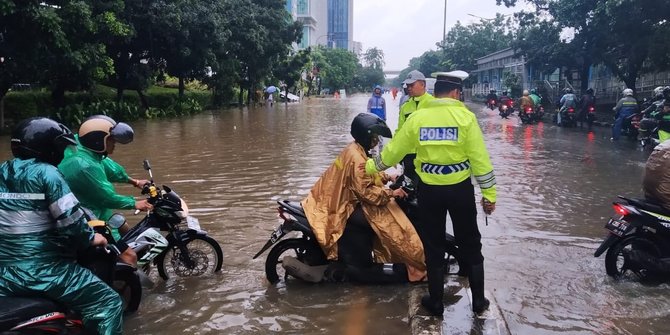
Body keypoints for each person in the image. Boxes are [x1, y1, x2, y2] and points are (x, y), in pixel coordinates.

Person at [364, 70, 497, 317]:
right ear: (457, 92)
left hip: (430, 192)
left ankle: (435, 302)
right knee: (470, 242)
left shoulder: (418, 118)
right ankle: (479, 301)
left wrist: (370, 166)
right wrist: (489, 195)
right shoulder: (465, 118)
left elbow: (393, 152)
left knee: (433, 245)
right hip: (460, 191)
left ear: (434, 92)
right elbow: (480, 161)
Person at [0, 117, 123, 334]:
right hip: (45, 272)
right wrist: (93, 238)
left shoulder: (3, 170)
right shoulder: (48, 173)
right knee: (109, 302)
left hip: (5, 274)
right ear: (49, 148)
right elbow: (71, 221)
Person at [288, 113, 427, 285]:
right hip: (344, 207)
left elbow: (365, 175)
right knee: (394, 226)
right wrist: (392, 193)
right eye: (374, 137)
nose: (376, 140)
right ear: (365, 136)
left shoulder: (354, 149)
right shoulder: (357, 158)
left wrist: (386, 177)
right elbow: (366, 193)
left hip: (331, 201)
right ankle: (413, 268)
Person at [58, 115, 152, 266]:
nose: (114, 143)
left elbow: (110, 168)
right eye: (111, 140)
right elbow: (106, 198)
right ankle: (126, 284)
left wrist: (135, 181)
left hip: (97, 208)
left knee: (123, 225)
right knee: (130, 257)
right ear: (98, 140)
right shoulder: (84, 165)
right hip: (87, 216)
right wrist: (135, 203)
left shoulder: (86, 148)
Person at [398, 70, 435, 184]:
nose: (409, 88)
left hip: (429, 155)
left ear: (423, 84)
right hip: (409, 155)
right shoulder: (405, 107)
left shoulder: (433, 104)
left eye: (412, 85)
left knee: (427, 187)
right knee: (409, 189)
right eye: (407, 85)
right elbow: (400, 132)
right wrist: (398, 155)